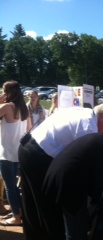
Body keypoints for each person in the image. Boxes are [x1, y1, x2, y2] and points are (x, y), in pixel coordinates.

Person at [18, 103, 103, 240]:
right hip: (38, 156)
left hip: (29, 148)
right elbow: (85, 164)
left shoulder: (83, 112)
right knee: (45, 204)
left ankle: (33, 236)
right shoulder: (88, 127)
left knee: (31, 201)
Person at [41, 123, 103, 240]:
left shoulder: (102, 138)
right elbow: (96, 181)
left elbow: (90, 167)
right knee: (76, 232)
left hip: (59, 178)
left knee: (71, 228)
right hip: (69, 185)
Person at [0, 80, 28, 226]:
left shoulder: (5, 107)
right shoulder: (24, 108)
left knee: (10, 186)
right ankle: (19, 211)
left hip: (6, 153)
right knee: (16, 186)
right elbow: (28, 129)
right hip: (19, 152)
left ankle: (16, 217)